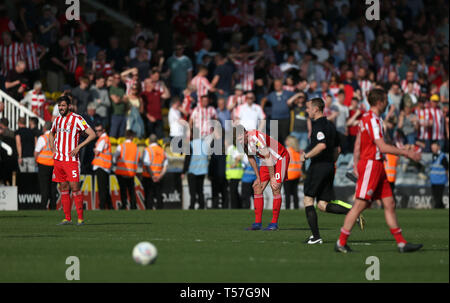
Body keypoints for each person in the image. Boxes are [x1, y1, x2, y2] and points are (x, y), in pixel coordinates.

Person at [335, 88, 423, 253]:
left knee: (389, 203)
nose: (388, 103)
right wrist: (407, 153)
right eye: (386, 100)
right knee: (360, 204)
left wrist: (355, 164)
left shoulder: (365, 118)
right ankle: (341, 242)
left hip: (375, 165)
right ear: (380, 102)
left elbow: (358, 144)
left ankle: (401, 243)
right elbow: (381, 147)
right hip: (371, 164)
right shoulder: (374, 120)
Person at [300, 98, 360, 244]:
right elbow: (338, 149)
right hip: (329, 166)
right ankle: (353, 213)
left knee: (308, 199)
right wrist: (331, 162)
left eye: (308, 108)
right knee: (322, 204)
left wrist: (306, 156)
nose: (307, 110)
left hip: (318, 166)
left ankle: (315, 237)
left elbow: (321, 146)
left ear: (315, 109)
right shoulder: (331, 125)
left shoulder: (318, 125)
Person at [49, 95, 96, 225]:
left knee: (75, 187)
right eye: (59, 106)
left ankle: (80, 219)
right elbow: (51, 133)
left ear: (69, 106)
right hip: (58, 160)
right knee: (63, 187)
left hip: (71, 160)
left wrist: (79, 146)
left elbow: (92, 134)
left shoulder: (77, 119)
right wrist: (52, 148)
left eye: (63, 105)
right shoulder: (57, 120)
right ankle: (67, 218)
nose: (60, 108)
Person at [234, 124, 290, 231]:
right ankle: (257, 223)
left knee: (275, 187)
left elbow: (268, 156)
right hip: (266, 160)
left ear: (246, 133)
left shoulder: (256, 137)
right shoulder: (243, 142)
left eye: (241, 137)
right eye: (237, 139)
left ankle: (274, 223)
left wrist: (272, 177)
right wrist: (258, 177)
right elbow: (251, 158)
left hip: (280, 158)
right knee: (257, 187)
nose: (240, 141)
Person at [182, 128, 209, 210]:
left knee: (192, 191)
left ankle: (192, 206)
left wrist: (183, 171)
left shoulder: (190, 144)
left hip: (192, 170)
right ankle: (201, 206)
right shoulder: (204, 144)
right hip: (202, 170)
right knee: (200, 191)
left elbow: (187, 159)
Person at [114, 130, 140, 210]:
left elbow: (114, 157)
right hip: (131, 172)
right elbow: (137, 159)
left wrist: (115, 164)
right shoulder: (136, 147)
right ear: (132, 137)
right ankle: (133, 206)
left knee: (123, 190)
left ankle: (124, 205)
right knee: (132, 190)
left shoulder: (121, 146)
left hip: (121, 172)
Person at [141, 134, 168, 210]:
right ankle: (160, 213)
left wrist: (152, 175)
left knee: (149, 196)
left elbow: (147, 164)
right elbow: (165, 166)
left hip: (148, 177)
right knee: (159, 195)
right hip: (159, 177)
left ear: (149, 141)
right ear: (157, 141)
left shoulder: (147, 150)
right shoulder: (162, 150)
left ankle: (149, 212)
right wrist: (160, 176)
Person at [34, 121, 57, 209]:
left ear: (44, 128)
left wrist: (36, 161)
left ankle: (43, 206)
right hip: (54, 165)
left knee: (44, 187)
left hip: (43, 165)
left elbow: (36, 152)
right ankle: (53, 206)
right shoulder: (56, 138)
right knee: (53, 187)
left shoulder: (42, 138)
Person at [92, 123, 113, 210]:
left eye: (99, 130)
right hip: (105, 166)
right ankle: (110, 206)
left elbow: (97, 152)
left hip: (101, 166)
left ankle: (102, 206)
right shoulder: (105, 138)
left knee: (102, 188)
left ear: (103, 130)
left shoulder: (103, 139)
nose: (97, 132)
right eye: (96, 131)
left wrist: (94, 150)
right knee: (105, 188)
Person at [225, 136, 244, 209]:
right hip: (234, 174)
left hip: (235, 174)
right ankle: (239, 206)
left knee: (233, 192)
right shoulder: (231, 149)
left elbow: (238, 157)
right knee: (234, 192)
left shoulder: (231, 148)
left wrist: (234, 164)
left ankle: (235, 207)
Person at [284, 136, 302, 210]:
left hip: (289, 175)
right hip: (297, 174)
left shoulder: (287, 150)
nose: (285, 141)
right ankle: (296, 208)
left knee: (287, 194)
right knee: (295, 193)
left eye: (287, 140)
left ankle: (287, 208)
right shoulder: (298, 151)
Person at [429, 141, 448, 209]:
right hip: (433, 180)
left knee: (438, 197)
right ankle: (441, 207)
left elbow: (446, 168)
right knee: (435, 196)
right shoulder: (433, 156)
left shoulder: (442, 157)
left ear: (438, 147)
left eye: (434, 147)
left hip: (440, 180)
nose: (433, 149)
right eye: (432, 147)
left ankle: (437, 208)